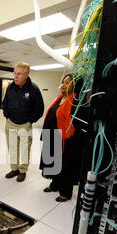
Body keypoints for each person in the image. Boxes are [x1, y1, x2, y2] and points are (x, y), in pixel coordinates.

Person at [40, 74, 86, 202]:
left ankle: (65, 192)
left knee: (65, 166)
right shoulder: (59, 98)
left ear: (74, 86)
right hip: (53, 136)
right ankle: (55, 184)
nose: (63, 85)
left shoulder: (76, 102)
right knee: (53, 162)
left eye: (67, 82)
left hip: (66, 141)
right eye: (63, 82)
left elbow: (76, 125)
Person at [3, 61, 44, 182]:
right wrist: (7, 116)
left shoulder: (34, 89)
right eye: (15, 73)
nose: (15, 76)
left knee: (25, 149)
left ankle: (22, 171)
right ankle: (14, 169)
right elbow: (5, 103)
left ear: (26, 75)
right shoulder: (10, 87)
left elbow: (39, 108)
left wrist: (30, 121)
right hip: (10, 123)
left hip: (25, 125)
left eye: (19, 74)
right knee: (12, 148)